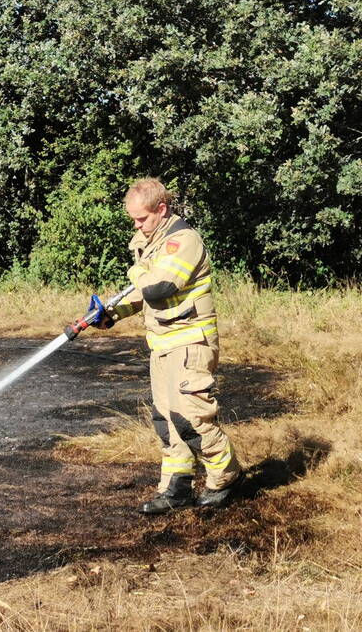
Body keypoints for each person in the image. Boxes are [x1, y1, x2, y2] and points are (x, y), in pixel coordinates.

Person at [94, 178, 242, 514]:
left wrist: (137, 269)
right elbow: (142, 292)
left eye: (142, 218)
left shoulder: (183, 241)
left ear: (161, 209)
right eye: (132, 219)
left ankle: (226, 476)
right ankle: (176, 488)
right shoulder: (150, 239)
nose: (136, 225)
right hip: (162, 345)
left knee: (191, 417)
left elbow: (158, 285)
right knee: (166, 420)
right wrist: (110, 313)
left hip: (191, 342)